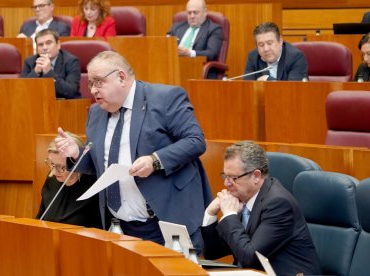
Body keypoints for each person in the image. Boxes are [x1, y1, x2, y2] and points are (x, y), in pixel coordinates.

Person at [54, 51, 212, 251]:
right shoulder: (95, 113)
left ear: (121, 77)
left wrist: (155, 161)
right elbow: (101, 166)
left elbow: (196, 141)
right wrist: (76, 153)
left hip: (167, 220)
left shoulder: (164, 98)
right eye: (90, 84)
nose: (93, 90)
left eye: (98, 82)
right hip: (121, 227)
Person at [201, 141, 321, 276]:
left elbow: (250, 258)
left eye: (233, 178)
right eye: (225, 176)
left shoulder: (279, 204)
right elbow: (213, 253)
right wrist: (210, 213)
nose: (226, 183)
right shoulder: (243, 198)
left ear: (256, 176)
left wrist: (229, 215)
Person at [36, 132, 102, 228]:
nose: (54, 172)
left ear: (77, 163)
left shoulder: (94, 185)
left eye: (61, 167)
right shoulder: (52, 179)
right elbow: (40, 219)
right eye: (51, 164)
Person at [166, 0, 222, 78]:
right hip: (173, 69)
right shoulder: (176, 27)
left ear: (205, 12)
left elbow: (211, 53)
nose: (192, 16)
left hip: (197, 70)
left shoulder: (213, 29)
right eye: (189, 13)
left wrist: (190, 53)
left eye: (195, 12)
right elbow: (165, 45)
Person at [20, 29, 81, 99]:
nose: (44, 48)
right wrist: (35, 72)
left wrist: (49, 72)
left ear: (58, 45)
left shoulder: (71, 61)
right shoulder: (30, 62)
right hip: (38, 104)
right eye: (40, 45)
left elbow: (71, 92)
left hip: (65, 105)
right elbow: (22, 91)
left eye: (48, 43)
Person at [244, 22, 308, 81]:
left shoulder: (295, 57)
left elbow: (293, 89)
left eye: (269, 43)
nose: (266, 49)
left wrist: (268, 79)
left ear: (280, 41)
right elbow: (248, 87)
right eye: (261, 45)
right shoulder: (253, 57)